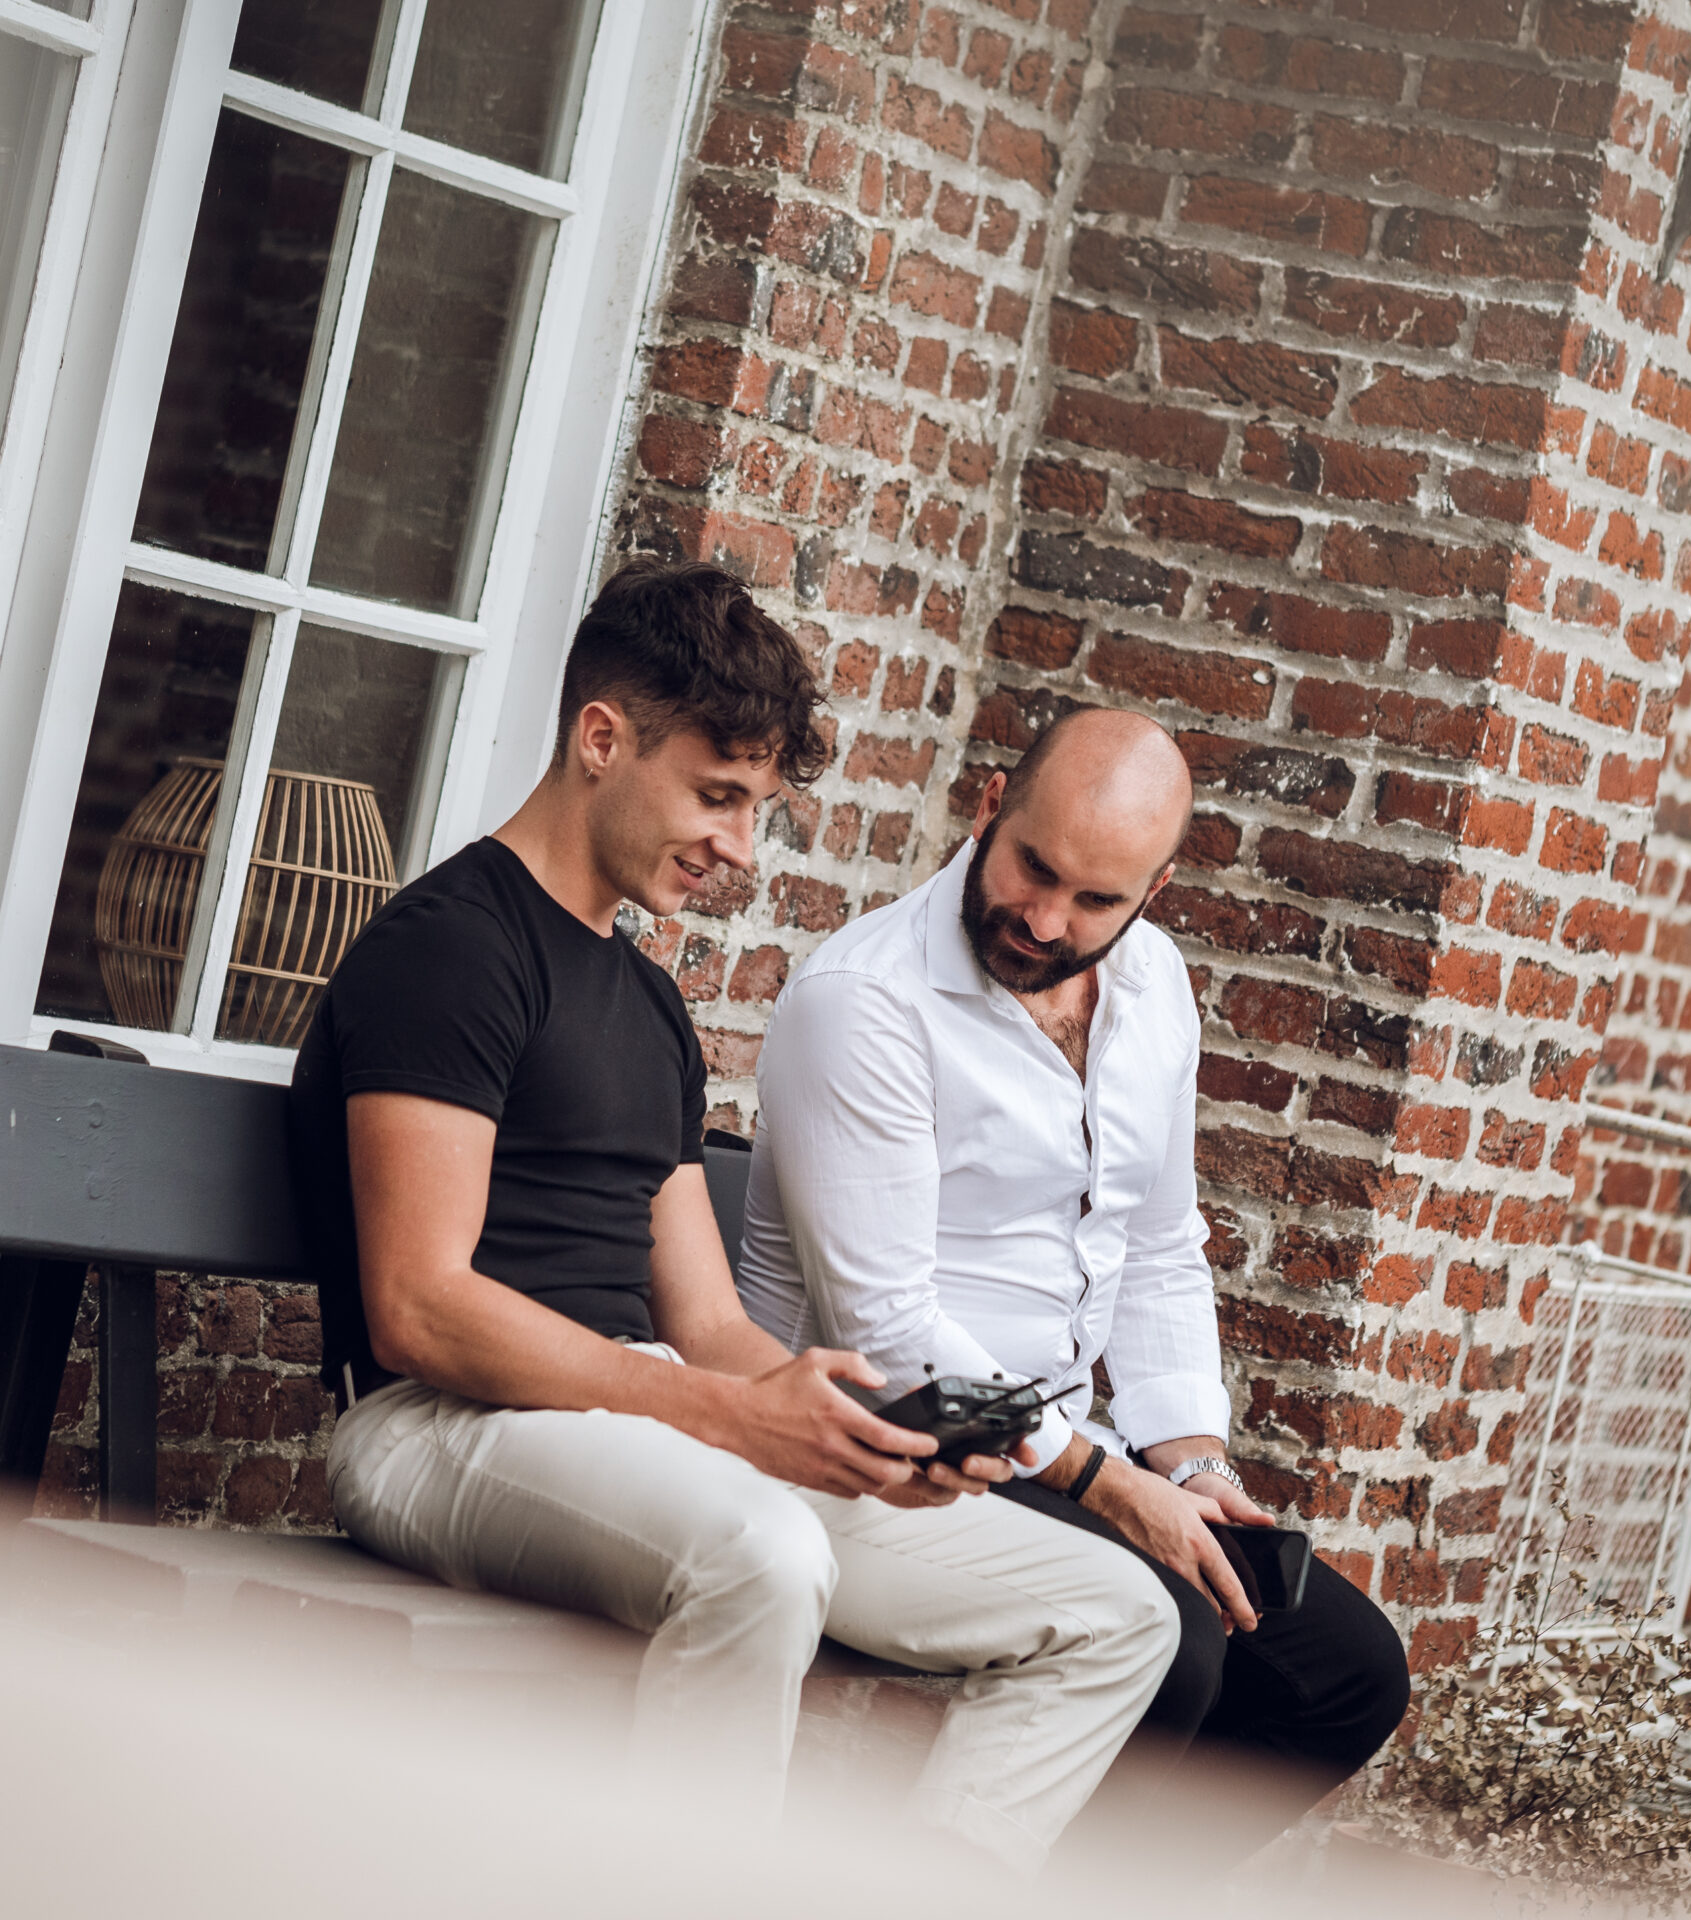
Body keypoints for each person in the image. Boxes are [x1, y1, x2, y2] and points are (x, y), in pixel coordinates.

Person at [286, 561, 1177, 1872]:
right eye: (718, 796)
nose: (741, 848)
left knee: (1114, 1613)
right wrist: (722, 1416)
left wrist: (864, 1435)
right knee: (762, 1551)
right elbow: (420, 1309)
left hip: (638, 1421)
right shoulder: (451, 949)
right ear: (602, 739)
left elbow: (705, 1323)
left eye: (755, 808)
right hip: (438, 1428)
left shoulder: (649, 1007)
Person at [738, 706, 1411, 1873]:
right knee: (1176, 1637)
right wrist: (1110, 1486)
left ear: (1157, 887)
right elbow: (885, 1330)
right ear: (990, 805)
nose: (1046, 922)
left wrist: (1190, 1468)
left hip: (1046, 1447)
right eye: (1033, 869)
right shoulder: (864, 998)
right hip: (883, 1442)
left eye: (1095, 899)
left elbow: (1158, 1246)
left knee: (1342, 1672)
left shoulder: (1153, 988)